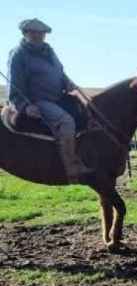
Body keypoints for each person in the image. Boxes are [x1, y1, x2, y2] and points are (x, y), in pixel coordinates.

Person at [7, 18, 92, 181]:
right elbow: (14, 86)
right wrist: (25, 106)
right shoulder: (19, 54)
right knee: (66, 122)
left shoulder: (49, 51)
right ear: (25, 33)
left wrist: (66, 82)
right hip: (39, 100)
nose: (38, 36)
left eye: (41, 33)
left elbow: (59, 72)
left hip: (59, 97)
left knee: (87, 112)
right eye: (34, 33)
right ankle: (71, 166)